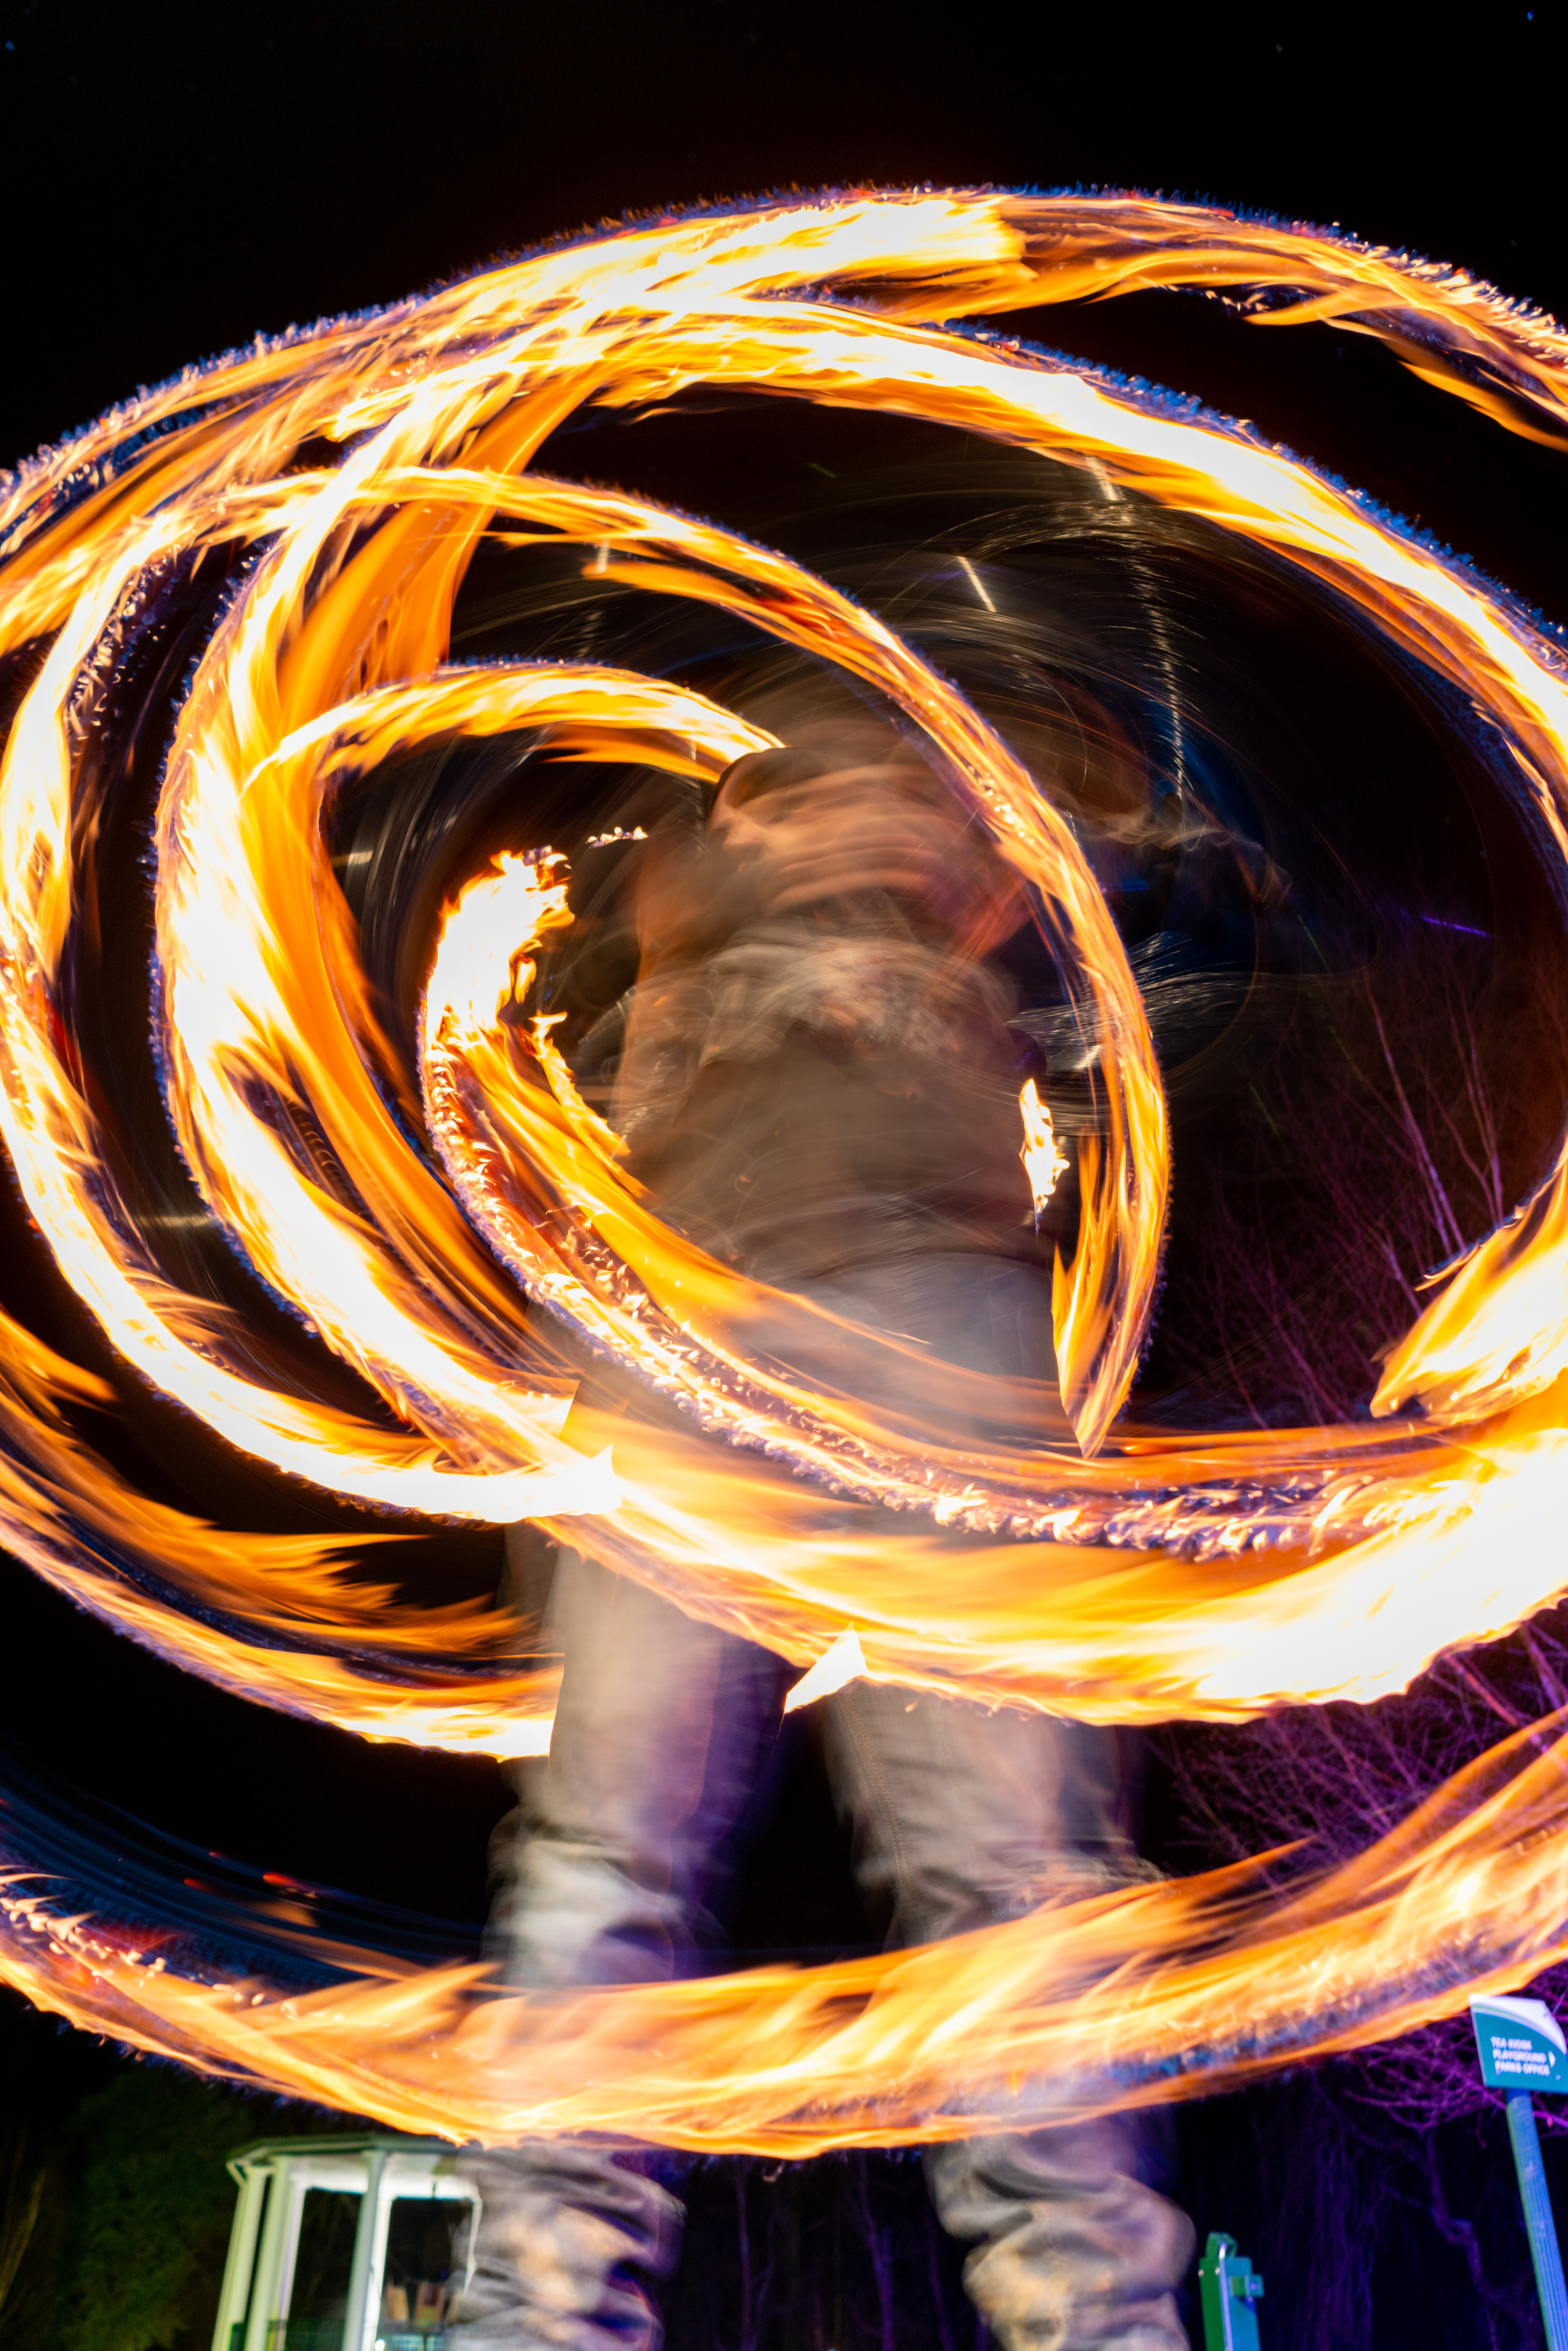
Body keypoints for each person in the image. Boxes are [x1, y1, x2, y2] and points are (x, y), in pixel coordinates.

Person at [450, 727, 1195, 2351]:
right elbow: (1126, 833)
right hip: (766, 1348)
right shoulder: (791, 871)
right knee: (977, 1884)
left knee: (632, 1877)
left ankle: (544, 2321)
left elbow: (1129, 841)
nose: (820, 811)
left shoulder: (829, 868)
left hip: (801, 1350)